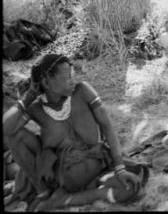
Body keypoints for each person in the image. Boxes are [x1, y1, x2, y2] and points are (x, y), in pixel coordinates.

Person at [3, 54, 147, 211]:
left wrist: (120, 168)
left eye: (73, 75)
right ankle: (43, 191)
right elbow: (6, 128)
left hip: (99, 169)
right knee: (15, 136)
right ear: (46, 82)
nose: (73, 80)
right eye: (67, 77)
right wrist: (28, 98)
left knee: (130, 187)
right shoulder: (36, 109)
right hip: (62, 179)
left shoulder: (83, 91)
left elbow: (107, 127)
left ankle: (59, 201)